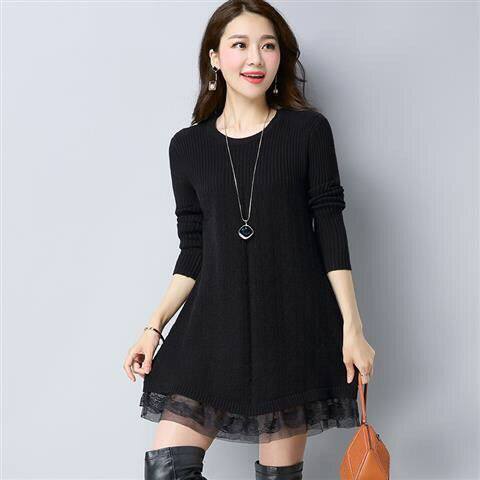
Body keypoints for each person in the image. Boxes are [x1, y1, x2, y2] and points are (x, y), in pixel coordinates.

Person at [123, 1, 376, 479]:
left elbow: (331, 229)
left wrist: (353, 328)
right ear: (215, 57)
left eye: (268, 46)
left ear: (281, 57)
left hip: (292, 328)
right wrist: (154, 326)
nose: (255, 58)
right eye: (240, 45)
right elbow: (193, 249)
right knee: (168, 470)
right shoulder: (188, 146)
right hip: (211, 331)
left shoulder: (308, 132)